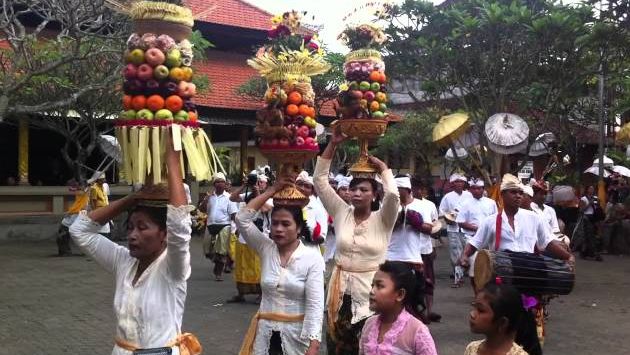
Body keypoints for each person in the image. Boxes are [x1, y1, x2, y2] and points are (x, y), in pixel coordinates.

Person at [69, 133, 201, 355]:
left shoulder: (173, 267)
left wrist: (172, 162)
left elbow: (180, 226)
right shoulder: (124, 261)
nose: (132, 235)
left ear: (164, 234)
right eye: (130, 227)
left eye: (142, 227)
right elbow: (79, 230)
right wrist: (134, 197)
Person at [459, 174, 575, 348]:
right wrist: (464, 256)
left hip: (528, 280)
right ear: (503, 195)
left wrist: (568, 257)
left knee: (528, 323)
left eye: (520, 193)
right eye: (513, 192)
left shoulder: (534, 218)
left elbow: (548, 243)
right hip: (502, 282)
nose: (518, 196)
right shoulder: (491, 222)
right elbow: (474, 242)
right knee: (504, 325)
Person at [313, 128, 400, 355]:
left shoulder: (384, 218)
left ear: (374, 194)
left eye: (364, 189)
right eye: (353, 189)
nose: (357, 193)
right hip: (340, 292)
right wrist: (332, 145)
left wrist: (383, 170)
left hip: (372, 293)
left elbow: (393, 197)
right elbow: (320, 182)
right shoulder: (342, 212)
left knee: (369, 348)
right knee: (337, 346)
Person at [236, 177, 325, 355]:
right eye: (275, 223)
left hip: (297, 338)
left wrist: (313, 344)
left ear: (299, 228)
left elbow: (315, 305)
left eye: (285, 224)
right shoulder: (266, 248)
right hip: (265, 334)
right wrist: (270, 191)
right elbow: (242, 219)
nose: (278, 229)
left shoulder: (312, 258)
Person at [386, 176, 438, 323]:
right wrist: (399, 220)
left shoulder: (421, 206)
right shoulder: (389, 205)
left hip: (412, 258)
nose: (395, 193)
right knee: (392, 294)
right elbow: (383, 228)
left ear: (407, 190)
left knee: (412, 295)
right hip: (391, 256)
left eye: (398, 190)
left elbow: (429, 229)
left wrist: (417, 223)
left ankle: (413, 325)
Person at [359, 261, 438, 355]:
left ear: (400, 294)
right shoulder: (369, 325)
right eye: (372, 285)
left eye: (380, 286)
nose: (372, 291)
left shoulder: (417, 331)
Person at [227, 173, 269, 304]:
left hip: (258, 236)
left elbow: (264, 208)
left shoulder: (268, 198)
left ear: (267, 185)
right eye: (258, 182)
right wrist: (244, 185)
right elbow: (232, 198)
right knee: (241, 265)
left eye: (262, 182)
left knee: (258, 266)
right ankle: (241, 293)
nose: (259, 184)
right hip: (243, 236)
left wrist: (257, 192)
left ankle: (261, 294)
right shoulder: (248, 194)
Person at [466, 282, 541, 355]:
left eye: (480, 310)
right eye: (474, 307)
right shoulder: (472, 348)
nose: (472, 314)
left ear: (502, 322)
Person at [456, 178, 498, 293]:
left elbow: (496, 220)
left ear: (483, 189)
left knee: (490, 267)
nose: (476, 191)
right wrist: (480, 229)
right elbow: (460, 221)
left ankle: (488, 293)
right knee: (475, 268)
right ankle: (477, 293)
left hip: (489, 240)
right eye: (473, 188)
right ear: (470, 190)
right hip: (472, 239)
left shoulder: (491, 203)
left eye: (479, 188)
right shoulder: (465, 204)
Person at [200, 172, 238, 281]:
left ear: (225, 184)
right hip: (210, 224)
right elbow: (202, 210)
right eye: (217, 182)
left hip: (224, 225)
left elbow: (233, 214)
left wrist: (239, 227)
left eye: (222, 182)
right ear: (214, 184)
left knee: (222, 251)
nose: (220, 184)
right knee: (207, 250)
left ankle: (219, 272)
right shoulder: (210, 196)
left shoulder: (229, 197)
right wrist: (206, 200)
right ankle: (216, 259)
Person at [438, 173, 472, 287]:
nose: (459, 184)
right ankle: (458, 278)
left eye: (461, 182)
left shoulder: (469, 195)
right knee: (455, 254)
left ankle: (468, 273)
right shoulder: (448, 197)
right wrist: (448, 218)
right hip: (453, 228)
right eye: (457, 182)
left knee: (469, 252)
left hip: (467, 229)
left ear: (464, 183)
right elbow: (442, 211)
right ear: (453, 184)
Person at [324, 175, 353, 281]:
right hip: (330, 252)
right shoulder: (329, 207)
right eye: (343, 189)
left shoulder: (356, 210)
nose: (346, 192)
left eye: (349, 189)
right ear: (338, 191)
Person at [296, 170, 328, 250]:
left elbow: (322, 237)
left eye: (307, 186)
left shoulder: (318, 208)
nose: (302, 188)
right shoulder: (285, 203)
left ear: (312, 191)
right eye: (299, 184)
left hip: (309, 252)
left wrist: (307, 236)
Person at [577, 185, 604, 261]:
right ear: (587, 190)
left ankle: (585, 252)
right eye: (590, 188)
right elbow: (581, 210)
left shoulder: (595, 198)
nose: (591, 190)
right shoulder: (584, 199)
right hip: (586, 217)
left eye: (593, 189)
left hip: (594, 218)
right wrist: (589, 204)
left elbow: (597, 208)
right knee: (589, 235)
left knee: (593, 235)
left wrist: (598, 204)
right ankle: (595, 253)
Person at [89, 172, 111, 238]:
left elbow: (106, 198)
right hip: (99, 211)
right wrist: (95, 213)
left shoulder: (104, 186)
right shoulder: (94, 188)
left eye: (104, 179)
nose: (104, 181)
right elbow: (93, 202)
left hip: (105, 210)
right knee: (101, 230)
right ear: (98, 180)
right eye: (102, 179)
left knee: (106, 229)